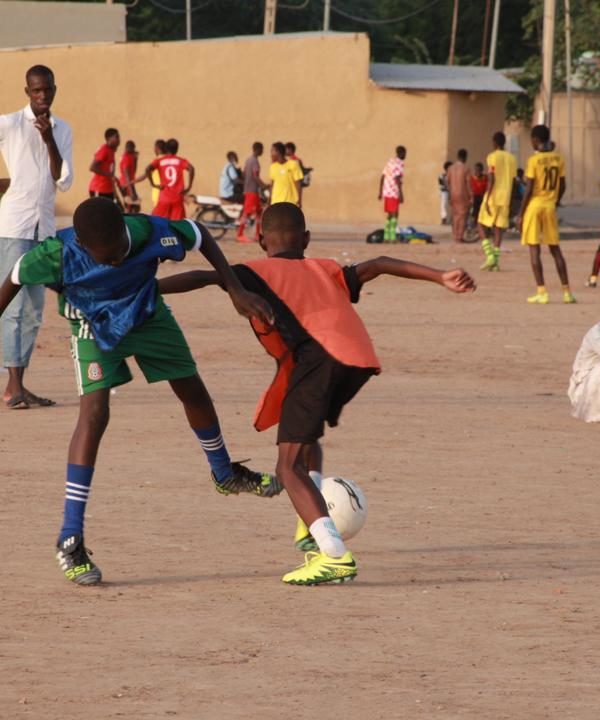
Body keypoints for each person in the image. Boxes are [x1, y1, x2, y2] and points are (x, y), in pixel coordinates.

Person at [157, 203, 476, 585]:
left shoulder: (254, 272)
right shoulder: (325, 268)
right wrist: (440, 275)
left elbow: (204, 277)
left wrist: (149, 287)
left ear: (261, 240)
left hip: (317, 362)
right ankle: (307, 526)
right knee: (306, 442)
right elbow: (379, 262)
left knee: (286, 466)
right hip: (356, 360)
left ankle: (334, 555)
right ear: (306, 239)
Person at [0, 197, 281, 586]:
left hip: (147, 313)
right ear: (81, 243)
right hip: (93, 326)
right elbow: (15, 275)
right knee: (95, 415)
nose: (114, 259)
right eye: (104, 256)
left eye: (117, 251)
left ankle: (224, 473)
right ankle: (70, 536)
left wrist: (233, 287)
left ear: (123, 232)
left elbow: (200, 235)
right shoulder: (57, 254)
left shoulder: (150, 232)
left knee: (192, 389)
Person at [0, 64, 73, 409]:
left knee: (33, 311)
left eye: (47, 90)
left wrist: (47, 138)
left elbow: (62, 178)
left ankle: (19, 384)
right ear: (27, 92)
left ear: (55, 90)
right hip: (13, 226)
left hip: (44, 229)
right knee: (12, 308)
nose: (42, 96)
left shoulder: (63, 130)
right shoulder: (11, 123)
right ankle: (13, 386)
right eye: (36, 91)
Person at [518, 125, 576, 304]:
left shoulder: (534, 161)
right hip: (550, 206)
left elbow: (528, 189)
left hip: (535, 207)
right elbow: (563, 185)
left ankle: (542, 292)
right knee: (555, 249)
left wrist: (520, 213)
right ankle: (567, 292)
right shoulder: (558, 158)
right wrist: (556, 201)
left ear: (536, 139)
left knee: (534, 249)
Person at [478, 132, 517, 271]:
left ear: (494, 142)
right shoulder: (511, 159)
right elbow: (513, 181)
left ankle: (490, 256)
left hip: (494, 196)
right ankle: (496, 260)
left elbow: (491, 179)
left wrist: (487, 198)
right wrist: (512, 202)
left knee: (481, 224)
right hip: (506, 197)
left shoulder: (492, 157)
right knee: (498, 229)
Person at [146, 138, 194, 221]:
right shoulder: (180, 161)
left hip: (164, 198)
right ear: (177, 149)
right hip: (177, 198)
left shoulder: (160, 161)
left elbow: (148, 169)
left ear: (166, 148)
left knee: (156, 222)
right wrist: (189, 187)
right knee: (178, 225)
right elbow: (191, 168)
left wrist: (153, 184)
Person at [237, 142, 267, 244]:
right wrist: (264, 185)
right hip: (252, 191)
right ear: (258, 149)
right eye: (262, 149)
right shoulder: (254, 162)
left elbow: (244, 174)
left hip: (249, 190)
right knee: (247, 213)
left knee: (259, 212)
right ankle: (240, 234)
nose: (263, 151)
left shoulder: (248, 160)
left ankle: (257, 235)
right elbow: (255, 176)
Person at [378, 146, 406, 242]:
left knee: (389, 215)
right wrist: (401, 194)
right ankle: (392, 237)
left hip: (387, 192)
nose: (405, 156)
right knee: (395, 214)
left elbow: (382, 176)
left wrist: (380, 191)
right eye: (405, 154)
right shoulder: (399, 163)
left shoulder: (390, 161)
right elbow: (397, 179)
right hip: (394, 192)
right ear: (401, 153)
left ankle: (386, 236)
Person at [446, 149, 472, 244]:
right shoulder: (466, 168)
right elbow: (468, 183)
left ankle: (455, 235)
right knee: (462, 216)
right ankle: (460, 236)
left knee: (455, 215)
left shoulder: (451, 168)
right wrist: (471, 196)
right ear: (465, 157)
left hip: (453, 193)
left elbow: (447, 181)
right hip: (462, 193)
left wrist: (449, 193)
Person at [268, 142, 304, 208]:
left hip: (290, 202)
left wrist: (299, 200)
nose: (271, 154)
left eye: (272, 151)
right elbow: (272, 185)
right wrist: (269, 200)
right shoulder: (272, 167)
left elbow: (298, 184)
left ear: (278, 152)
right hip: (276, 203)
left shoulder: (293, 164)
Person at [89, 128, 120, 202]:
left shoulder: (111, 151)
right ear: (109, 138)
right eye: (116, 137)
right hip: (99, 189)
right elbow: (93, 167)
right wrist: (110, 175)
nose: (119, 140)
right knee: (99, 212)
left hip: (108, 190)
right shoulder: (104, 150)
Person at [118, 140, 141, 213]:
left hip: (129, 183)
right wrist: (131, 191)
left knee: (133, 206)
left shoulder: (130, 156)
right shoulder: (126, 158)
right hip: (126, 185)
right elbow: (126, 174)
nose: (134, 150)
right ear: (129, 148)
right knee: (132, 206)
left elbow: (133, 171)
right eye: (133, 148)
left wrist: (136, 159)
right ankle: (127, 222)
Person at [151, 139, 166, 209]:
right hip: (168, 194)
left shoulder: (156, 161)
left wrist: (131, 182)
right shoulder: (169, 160)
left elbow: (146, 173)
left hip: (158, 194)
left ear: (157, 149)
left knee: (157, 218)